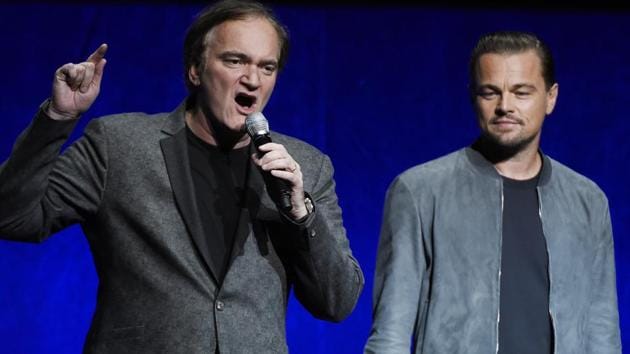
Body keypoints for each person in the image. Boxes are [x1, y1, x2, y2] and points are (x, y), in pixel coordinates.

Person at [0, 0, 363, 353]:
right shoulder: (119, 145)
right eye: (235, 61)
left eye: (267, 67)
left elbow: (337, 303)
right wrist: (56, 120)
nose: (252, 79)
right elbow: (13, 219)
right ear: (195, 69)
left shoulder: (304, 166)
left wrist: (300, 214)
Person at [364, 31, 621, 353]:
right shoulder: (420, 191)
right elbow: (390, 331)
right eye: (490, 92)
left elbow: (603, 329)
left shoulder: (587, 200)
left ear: (550, 97)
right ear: (474, 97)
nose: (505, 106)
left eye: (521, 92)